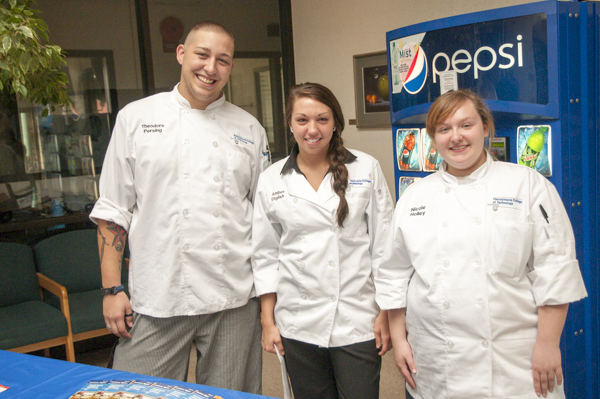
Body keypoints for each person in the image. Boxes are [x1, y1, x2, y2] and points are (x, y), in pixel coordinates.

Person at [89, 21, 270, 393]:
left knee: (230, 394)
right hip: (160, 295)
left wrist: (268, 301)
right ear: (181, 54)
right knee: (136, 392)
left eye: (223, 60)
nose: (211, 68)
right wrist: (111, 289)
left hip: (232, 297)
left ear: (230, 67)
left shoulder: (249, 128)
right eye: (202, 55)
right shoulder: (136, 119)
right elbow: (113, 211)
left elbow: (263, 220)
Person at [374, 89, 588, 399]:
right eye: (444, 129)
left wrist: (548, 344)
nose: (456, 137)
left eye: (466, 125)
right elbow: (394, 273)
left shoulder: (527, 185)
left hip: (512, 362)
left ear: (485, 128)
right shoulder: (415, 197)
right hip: (436, 357)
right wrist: (400, 339)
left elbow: (554, 270)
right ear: (433, 138)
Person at [252, 82, 394, 399]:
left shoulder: (366, 168)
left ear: (335, 123)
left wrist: (386, 312)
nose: (312, 129)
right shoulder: (272, 179)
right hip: (297, 321)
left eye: (322, 119)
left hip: (357, 318)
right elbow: (264, 255)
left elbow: (385, 248)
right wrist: (267, 320)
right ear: (289, 123)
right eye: (302, 120)